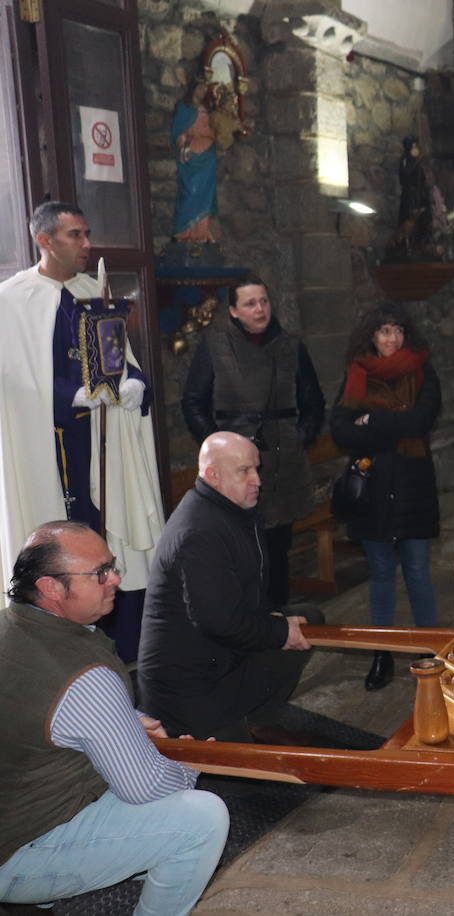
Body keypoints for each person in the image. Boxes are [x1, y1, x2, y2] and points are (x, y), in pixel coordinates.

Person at [0, 522, 229, 915]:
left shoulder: (10, 626)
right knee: (202, 818)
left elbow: (46, 717)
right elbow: (144, 787)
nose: (116, 579)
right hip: (17, 853)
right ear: (51, 588)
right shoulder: (83, 675)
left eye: (112, 565)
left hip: (14, 815)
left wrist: (123, 718)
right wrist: (187, 762)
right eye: (99, 573)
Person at [0, 201, 163, 662]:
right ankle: (66, 661)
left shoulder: (94, 291)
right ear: (45, 240)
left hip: (101, 445)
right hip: (51, 449)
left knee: (111, 547)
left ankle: (126, 654)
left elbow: (121, 363)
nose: (87, 244)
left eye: (87, 233)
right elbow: (9, 380)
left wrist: (134, 384)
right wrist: (66, 397)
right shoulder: (12, 301)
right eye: (75, 235)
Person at [139, 432, 321, 741]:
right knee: (240, 775)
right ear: (212, 475)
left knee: (309, 620)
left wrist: (272, 620)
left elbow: (249, 587)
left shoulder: (233, 510)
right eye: (244, 471)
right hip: (189, 685)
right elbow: (218, 621)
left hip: (222, 653)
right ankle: (230, 725)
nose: (257, 481)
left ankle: (261, 718)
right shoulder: (199, 531)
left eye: (256, 469)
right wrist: (278, 632)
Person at [181, 274, 326, 607]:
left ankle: (276, 625)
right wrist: (218, 448)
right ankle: (243, 626)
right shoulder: (216, 344)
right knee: (238, 548)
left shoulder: (290, 345)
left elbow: (313, 402)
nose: (260, 309)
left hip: (281, 462)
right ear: (233, 310)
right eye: (250, 303)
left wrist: (299, 438)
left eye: (264, 301)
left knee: (276, 550)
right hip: (234, 464)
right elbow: (194, 401)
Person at [330, 305, 442, 692]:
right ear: (371, 337)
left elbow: (421, 421)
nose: (392, 339)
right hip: (374, 490)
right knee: (380, 575)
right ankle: (381, 653)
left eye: (397, 331)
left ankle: (430, 650)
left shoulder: (423, 371)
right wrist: (394, 423)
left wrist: (374, 421)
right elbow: (341, 430)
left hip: (413, 486)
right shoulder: (356, 374)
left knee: (417, 571)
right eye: (384, 331)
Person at [171, 81, 218, 243]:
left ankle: (201, 234)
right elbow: (178, 131)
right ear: (193, 88)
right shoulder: (185, 108)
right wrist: (183, 144)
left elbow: (216, 128)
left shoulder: (209, 109)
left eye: (205, 89)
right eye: (200, 87)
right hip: (191, 155)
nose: (202, 91)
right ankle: (184, 232)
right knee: (191, 191)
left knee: (205, 194)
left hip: (208, 157)